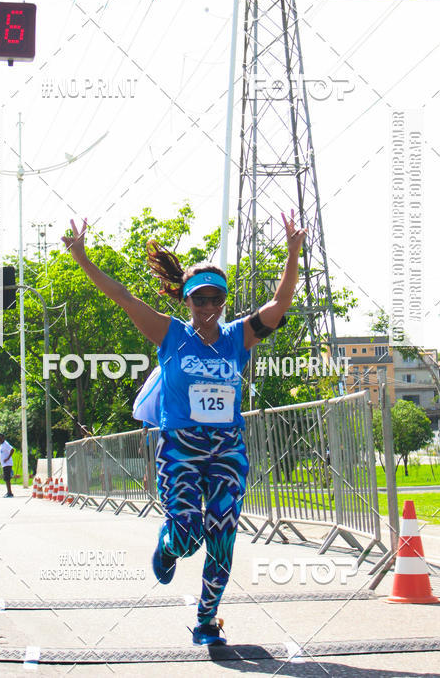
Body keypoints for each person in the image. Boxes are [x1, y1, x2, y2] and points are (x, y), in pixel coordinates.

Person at [62, 211, 306, 645]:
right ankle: (169, 545)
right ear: (187, 302)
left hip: (228, 448)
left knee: (224, 536)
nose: (209, 308)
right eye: (200, 300)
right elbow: (123, 297)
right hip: (181, 449)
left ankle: (207, 620)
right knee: (189, 533)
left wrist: (293, 253)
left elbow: (280, 304)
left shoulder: (237, 337)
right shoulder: (171, 334)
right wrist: (82, 258)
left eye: (216, 300)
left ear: (224, 302)